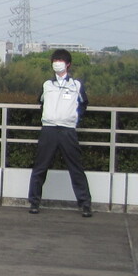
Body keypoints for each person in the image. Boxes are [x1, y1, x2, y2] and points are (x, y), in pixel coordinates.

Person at [27, 49, 93, 217]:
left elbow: (83, 104)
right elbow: (41, 102)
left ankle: (85, 204)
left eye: (60, 60)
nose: (56, 63)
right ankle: (34, 202)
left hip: (67, 130)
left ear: (68, 64)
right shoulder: (47, 85)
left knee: (76, 168)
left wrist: (74, 118)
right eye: (55, 60)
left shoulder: (75, 85)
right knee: (40, 167)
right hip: (49, 129)